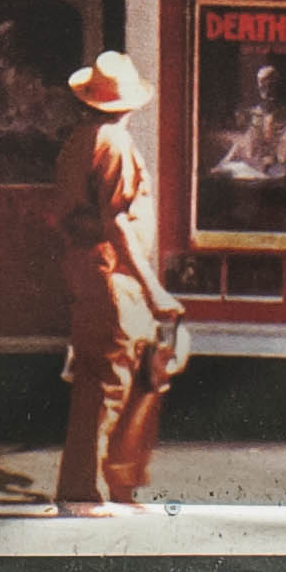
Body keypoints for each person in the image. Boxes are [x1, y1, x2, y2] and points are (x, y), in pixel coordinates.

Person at [52, 50, 183, 518]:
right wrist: (154, 289)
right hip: (115, 276)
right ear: (128, 103)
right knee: (116, 379)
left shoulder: (80, 140)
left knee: (101, 377)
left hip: (88, 273)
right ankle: (93, 491)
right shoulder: (116, 144)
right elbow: (120, 223)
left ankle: (100, 485)